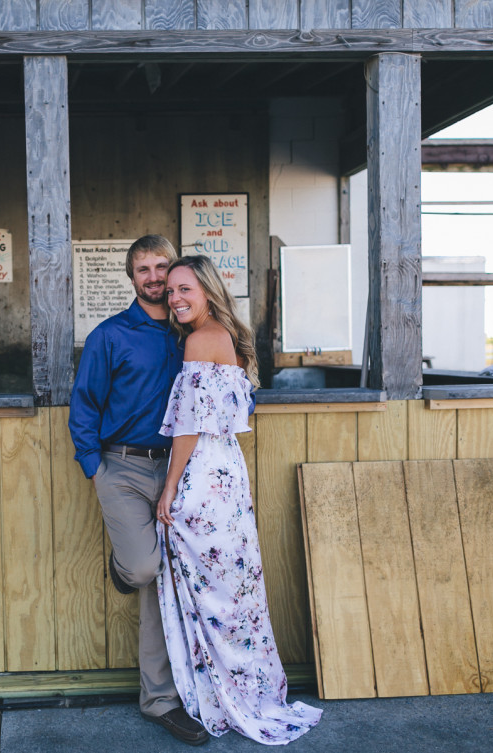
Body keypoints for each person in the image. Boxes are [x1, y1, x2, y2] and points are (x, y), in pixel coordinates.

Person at [156, 254, 321, 744]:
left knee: (213, 590)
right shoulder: (222, 335)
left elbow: (190, 424)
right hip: (226, 472)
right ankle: (246, 689)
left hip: (204, 475)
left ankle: (224, 696)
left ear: (208, 291)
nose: (175, 298)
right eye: (171, 291)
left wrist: (170, 486)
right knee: (232, 589)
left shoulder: (200, 341)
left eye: (185, 289)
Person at [69, 235, 209, 746]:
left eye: (161, 266)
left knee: (163, 587)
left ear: (176, 272)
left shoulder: (191, 332)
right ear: (131, 277)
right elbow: (84, 405)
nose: (153, 277)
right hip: (123, 468)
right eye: (143, 268)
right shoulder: (110, 335)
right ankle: (127, 564)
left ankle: (161, 701)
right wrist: (95, 469)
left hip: (181, 472)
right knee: (145, 568)